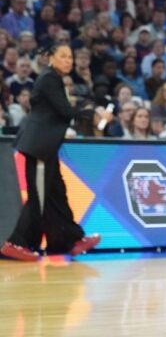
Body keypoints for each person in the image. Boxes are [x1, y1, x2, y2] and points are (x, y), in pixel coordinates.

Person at [2, 45, 101, 261]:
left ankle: (68, 241)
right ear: (50, 58)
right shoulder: (48, 78)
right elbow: (64, 111)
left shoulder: (54, 79)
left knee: (57, 195)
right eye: (63, 56)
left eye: (70, 56)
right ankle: (15, 243)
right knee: (38, 197)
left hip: (47, 149)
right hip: (39, 148)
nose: (68, 60)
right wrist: (92, 113)